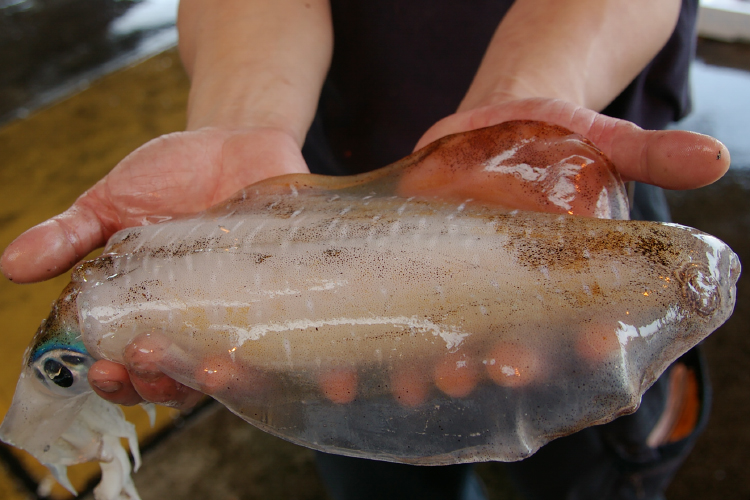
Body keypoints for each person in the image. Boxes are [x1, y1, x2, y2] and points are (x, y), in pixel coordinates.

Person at [1, 0, 729, 498]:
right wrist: (240, 116)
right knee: (369, 461)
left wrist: (525, 116)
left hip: (565, 189)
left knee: (591, 459)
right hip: (309, 163)